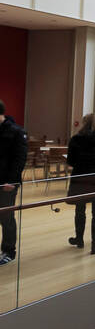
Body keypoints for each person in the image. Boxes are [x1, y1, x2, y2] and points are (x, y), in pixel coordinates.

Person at [66, 113, 95, 254]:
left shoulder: (76, 139)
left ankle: (79, 239)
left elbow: (70, 161)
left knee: (80, 210)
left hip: (80, 178)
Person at [0, 100, 27, 267]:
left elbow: (20, 158)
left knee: (6, 217)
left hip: (8, 183)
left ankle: (9, 250)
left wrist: (11, 180)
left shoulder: (16, 132)